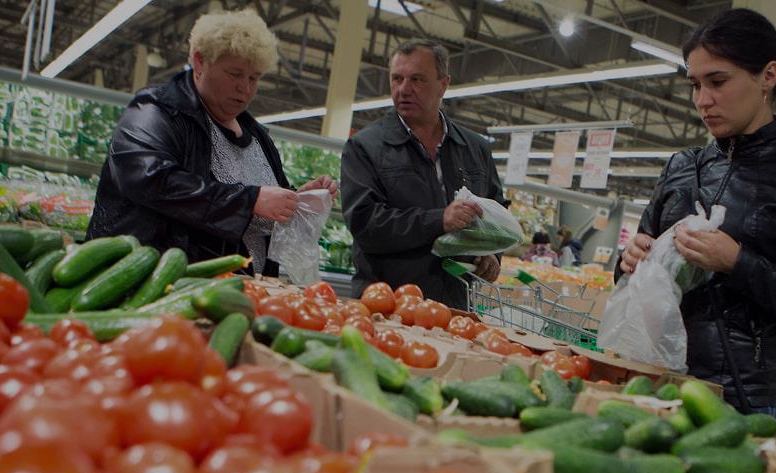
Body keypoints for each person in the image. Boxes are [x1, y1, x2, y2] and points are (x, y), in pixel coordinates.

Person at [616, 9, 776, 417]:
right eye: (695, 84)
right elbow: (631, 271)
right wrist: (629, 259)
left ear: (768, 76)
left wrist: (738, 263)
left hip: (741, 399)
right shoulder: (681, 166)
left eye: (718, 82)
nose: (702, 100)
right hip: (653, 376)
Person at [87, 9, 337, 274]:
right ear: (200, 62)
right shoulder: (157, 110)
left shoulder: (257, 136)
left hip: (239, 288)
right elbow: (150, 179)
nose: (245, 88)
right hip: (152, 280)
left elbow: (263, 212)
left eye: (254, 78)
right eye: (234, 74)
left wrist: (296, 200)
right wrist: (249, 201)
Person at [341, 40, 507, 310]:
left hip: (454, 306)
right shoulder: (365, 147)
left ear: (443, 84)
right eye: (397, 79)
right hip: (387, 305)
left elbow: (497, 212)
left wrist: (492, 253)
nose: (404, 89)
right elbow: (365, 224)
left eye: (416, 79)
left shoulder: (475, 149)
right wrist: (439, 220)